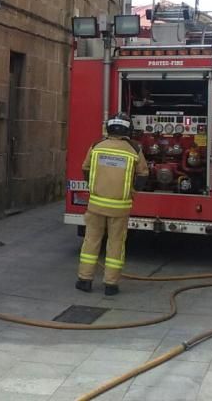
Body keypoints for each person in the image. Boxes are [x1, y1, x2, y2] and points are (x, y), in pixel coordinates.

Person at [76, 113, 149, 296]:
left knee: (91, 242)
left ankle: (85, 280)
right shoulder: (134, 149)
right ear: (127, 129)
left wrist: (94, 186)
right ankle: (111, 284)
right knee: (116, 244)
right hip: (120, 207)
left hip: (95, 205)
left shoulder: (97, 146)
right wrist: (132, 191)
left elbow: (85, 168)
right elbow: (143, 174)